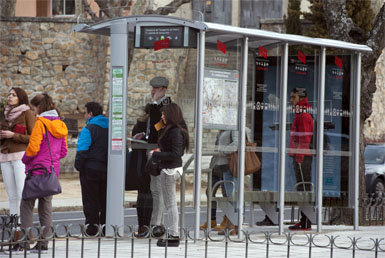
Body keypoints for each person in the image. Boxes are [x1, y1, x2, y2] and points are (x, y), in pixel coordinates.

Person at [17, 93, 68, 254]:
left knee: (26, 204)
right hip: (52, 172)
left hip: (37, 169)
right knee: (46, 206)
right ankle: (44, 243)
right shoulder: (60, 124)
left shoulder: (41, 123)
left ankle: (24, 242)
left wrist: (24, 160)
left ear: (39, 107)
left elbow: (33, 148)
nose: (34, 111)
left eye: (34, 108)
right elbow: (64, 151)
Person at [133, 76, 171, 237]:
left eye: (156, 88)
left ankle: (157, 224)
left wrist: (155, 104)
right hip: (151, 148)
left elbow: (159, 126)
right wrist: (145, 135)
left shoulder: (166, 106)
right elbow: (153, 129)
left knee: (158, 190)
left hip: (159, 151)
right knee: (154, 190)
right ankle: (155, 223)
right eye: (152, 88)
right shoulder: (156, 106)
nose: (153, 91)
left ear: (164, 89)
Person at [150, 103, 189, 247]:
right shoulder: (171, 129)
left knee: (170, 204)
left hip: (169, 170)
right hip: (171, 169)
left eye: (164, 114)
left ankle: (174, 235)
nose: (162, 117)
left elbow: (176, 153)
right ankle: (173, 234)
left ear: (171, 115)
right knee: (170, 204)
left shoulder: (175, 131)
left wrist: (156, 154)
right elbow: (156, 132)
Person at [0, 88, 35, 221]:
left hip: (20, 156)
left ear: (20, 97)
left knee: (21, 193)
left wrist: (14, 135)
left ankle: (24, 228)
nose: (10, 97)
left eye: (14, 95)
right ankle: (15, 228)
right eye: (9, 94)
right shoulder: (5, 114)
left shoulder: (27, 113)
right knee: (11, 195)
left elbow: (33, 137)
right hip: (4, 156)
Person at [75, 102, 109, 236]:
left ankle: (92, 228)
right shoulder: (110, 127)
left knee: (90, 201)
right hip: (106, 170)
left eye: (85, 113)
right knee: (104, 200)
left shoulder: (88, 128)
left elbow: (82, 150)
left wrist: (78, 166)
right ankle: (106, 227)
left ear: (90, 114)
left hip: (90, 170)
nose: (84, 115)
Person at [288, 87, 314, 231]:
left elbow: (304, 138)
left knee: (304, 188)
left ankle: (306, 221)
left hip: (302, 156)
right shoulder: (300, 114)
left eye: (293, 97)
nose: (291, 100)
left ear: (300, 98)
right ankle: (304, 220)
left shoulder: (303, 115)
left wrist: (298, 156)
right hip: (301, 155)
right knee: (303, 187)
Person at [126, 104, 153, 238]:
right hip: (146, 165)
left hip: (138, 166)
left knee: (142, 195)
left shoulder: (139, 126)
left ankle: (142, 226)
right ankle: (147, 225)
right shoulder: (147, 127)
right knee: (149, 196)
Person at [200, 131, 229, 232]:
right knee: (210, 192)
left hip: (225, 165)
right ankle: (211, 219)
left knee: (226, 194)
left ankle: (227, 219)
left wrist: (223, 152)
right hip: (215, 165)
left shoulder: (232, 130)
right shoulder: (221, 132)